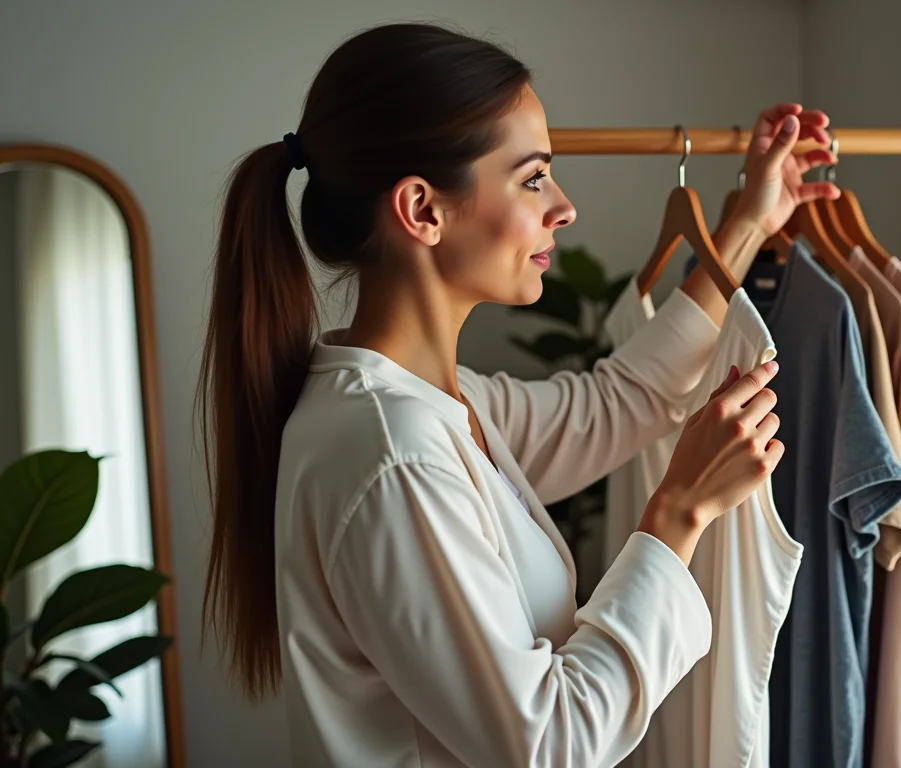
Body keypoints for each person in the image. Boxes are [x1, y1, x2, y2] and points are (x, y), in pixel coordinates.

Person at [198, 21, 839, 768]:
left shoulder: (436, 405)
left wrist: (750, 222)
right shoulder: (393, 455)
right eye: (533, 178)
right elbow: (548, 745)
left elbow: (617, 404)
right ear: (422, 210)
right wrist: (677, 513)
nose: (563, 207)